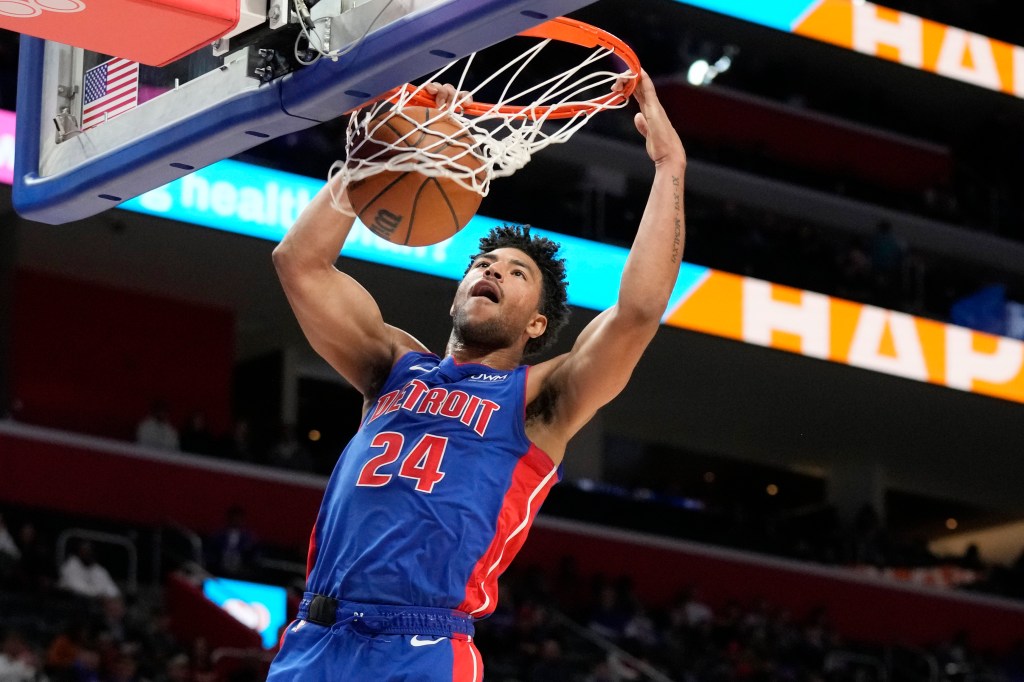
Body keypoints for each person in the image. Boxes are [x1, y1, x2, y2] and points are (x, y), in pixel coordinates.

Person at [267, 72, 686, 681]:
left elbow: (638, 313)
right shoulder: (392, 368)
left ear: (537, 325)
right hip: (315, 637)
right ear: (457, 294)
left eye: (516, 273)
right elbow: (298, 263)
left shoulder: (542, 399)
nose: (492, 269)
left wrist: (670, 168)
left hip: (422, 646)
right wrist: (374, 164)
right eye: (483, 263)